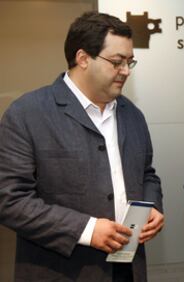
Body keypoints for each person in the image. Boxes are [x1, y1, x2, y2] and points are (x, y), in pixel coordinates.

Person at [0, 11, 164, 282]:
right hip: (62, 271)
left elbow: (147, 174)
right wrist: (87, 230)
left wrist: (152, 207)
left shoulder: (133, 115)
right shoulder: (27, 114)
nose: (125, 71)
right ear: (83, 58)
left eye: (129, 62)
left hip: (128, 269)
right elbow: (9, 200)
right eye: (117, 61)